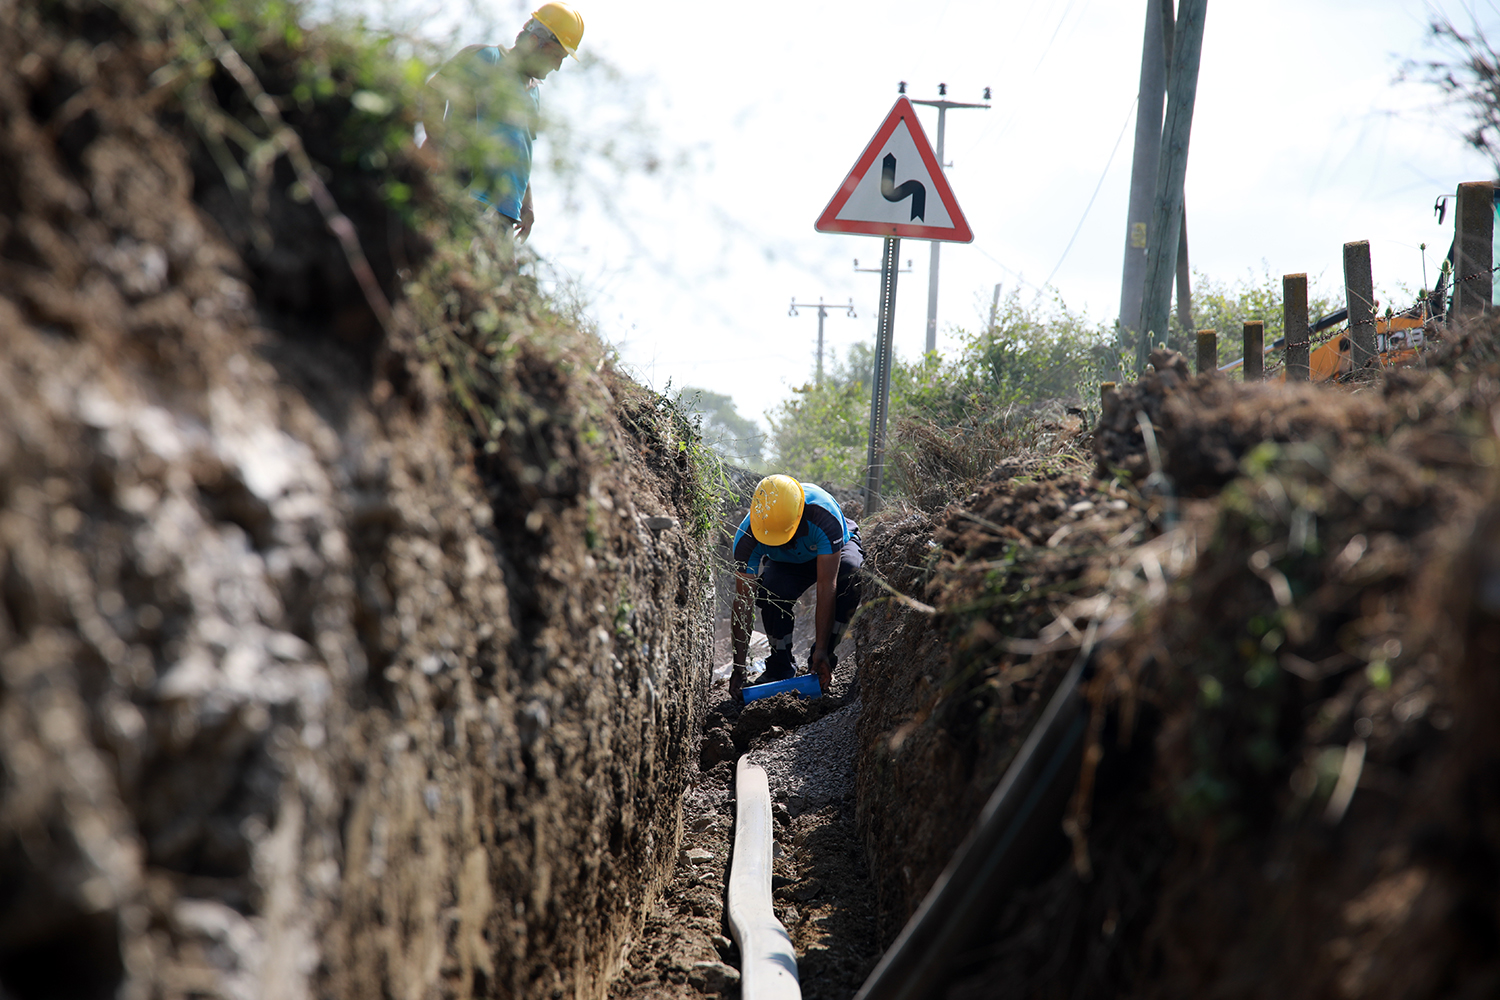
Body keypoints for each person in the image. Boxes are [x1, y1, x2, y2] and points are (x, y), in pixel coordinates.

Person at [424, 3, 584, 241]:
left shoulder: (533, 93)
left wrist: (526, 203)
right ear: (534, 42)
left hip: (504, 216)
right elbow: (433, 94)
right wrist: (438, 148)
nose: (557, 67)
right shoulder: (485, 58)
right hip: (465, 196)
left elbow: (519, 152)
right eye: (556, 56)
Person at [729, 475, 864, 698]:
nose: (779, 541)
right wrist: (739, 666)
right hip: (787, 561)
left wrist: (822, 649)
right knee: (771, 592)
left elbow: (826, 587)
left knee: (850, 577)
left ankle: (822, 662)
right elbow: (743, 603)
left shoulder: (823, 515)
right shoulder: (748, 536)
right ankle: (779, 666)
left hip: (831, 550)